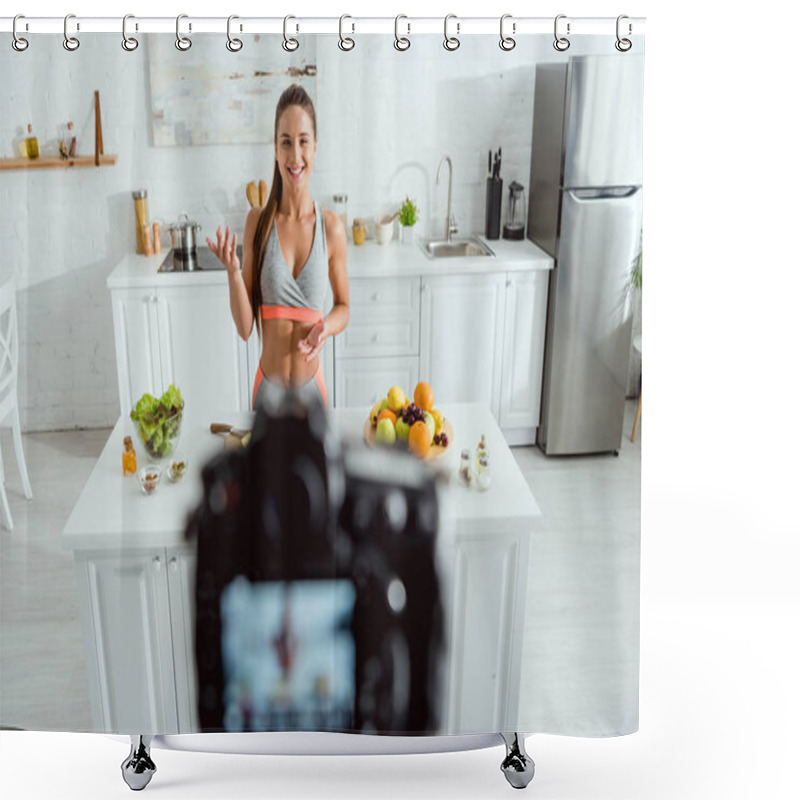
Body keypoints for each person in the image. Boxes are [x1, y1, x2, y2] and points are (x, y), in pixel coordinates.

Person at [207, 84, 349, 409]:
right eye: (286, 142)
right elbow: (245, 328)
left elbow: (344, 306)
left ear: (315, 147)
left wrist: (325, 327)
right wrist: (232, 272)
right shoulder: (258, 223)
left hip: (312, 397)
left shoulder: (332, 227)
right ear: (274, 148)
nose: (295, 155)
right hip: (266, 398)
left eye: (303, 142)